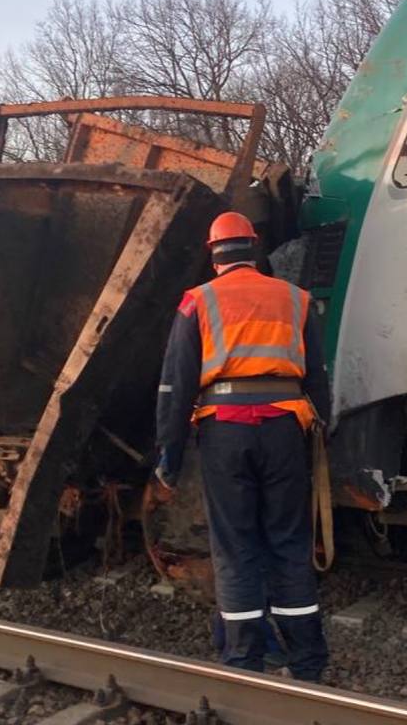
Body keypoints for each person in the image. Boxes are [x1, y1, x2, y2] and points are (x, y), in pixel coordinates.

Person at [154, 210, 331, 681]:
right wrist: (321, 433)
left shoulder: (198, 303)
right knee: (289, 542)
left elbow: (175, 386)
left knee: (236, 547)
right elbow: (319, 379)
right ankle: (307, 662)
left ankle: (244, 662)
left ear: (214, 255)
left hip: (225, 432)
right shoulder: (296, 299)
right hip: (284, 431)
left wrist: (168, 456)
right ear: (254, 249)